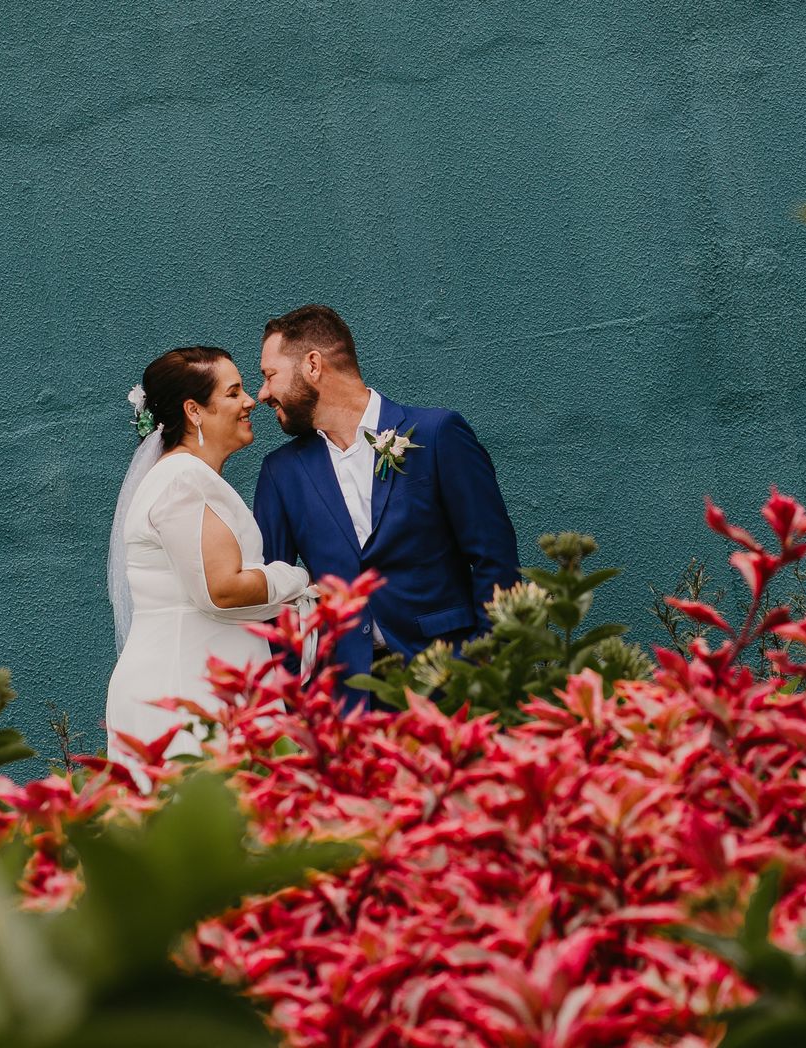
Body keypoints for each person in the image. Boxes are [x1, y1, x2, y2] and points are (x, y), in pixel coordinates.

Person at [252, 304, 519, 707]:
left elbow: (494, 559)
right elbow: (274, 594)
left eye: (270, 375)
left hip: (451, 677)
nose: (262, 393)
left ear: (312, 365)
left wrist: (481, 663)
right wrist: (301, 694)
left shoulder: (437, 434)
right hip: (347, 700)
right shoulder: (280, 472)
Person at [106, 346, 311, 780]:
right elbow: (222, 590)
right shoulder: (184, 480)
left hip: (194, 683)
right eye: (233, 392)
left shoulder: (181, 476)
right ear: (194, 411)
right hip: (188, 691)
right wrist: (296, 579)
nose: (250, 401)